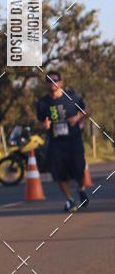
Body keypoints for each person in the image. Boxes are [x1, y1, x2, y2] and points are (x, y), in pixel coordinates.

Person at [36, 71, 89, 212]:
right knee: (59, 172)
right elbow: (40, 123)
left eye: (55, 80)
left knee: (79, 169)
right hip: (55, 143)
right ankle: (70, 200)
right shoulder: (42, 103)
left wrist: (77, 119)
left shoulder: (72, 96)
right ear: (45, 84)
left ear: (60, 82)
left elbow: (85, 110)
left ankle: (81, 189)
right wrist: (44, 126)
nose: (52, 83)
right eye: (49, 80)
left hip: (74, 140)